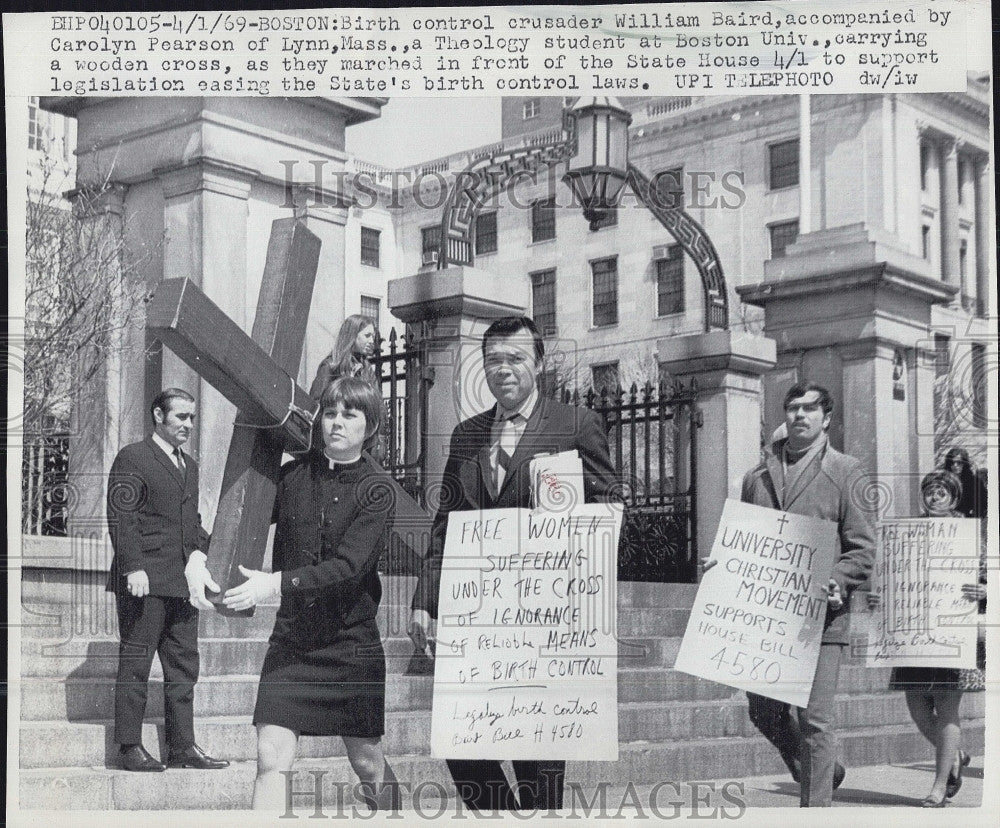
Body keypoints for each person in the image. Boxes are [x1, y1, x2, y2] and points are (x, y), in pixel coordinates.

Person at [407, 316, 620, 811]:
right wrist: (425, 601)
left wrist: (584, 562)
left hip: (546, 618)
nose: (504, 370)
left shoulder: (575, 425)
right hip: (478, 615)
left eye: (516, 358)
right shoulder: (466, 434)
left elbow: (609, 506)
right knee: (464, 744)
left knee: (537, 756)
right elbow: (445, 525)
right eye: (493, 360)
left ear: (539, 364)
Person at [223, 377, 399, 811]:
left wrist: (276, 582)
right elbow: (239, 522)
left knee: (367, 762)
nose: (336, 423)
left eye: (350, 415)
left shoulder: (378, 489)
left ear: (370, 425)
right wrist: (198, 554)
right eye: (331, 413)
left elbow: (349, 569)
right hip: (293, 642)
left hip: (350, 644)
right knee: (270, 759)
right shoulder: (293, 475)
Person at [708, 381, 874, 807]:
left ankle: (814, 809)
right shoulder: (757, 476)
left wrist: (840, 577)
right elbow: (746, 540)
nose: (799, 415)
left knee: (814, 719)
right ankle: (823, 767)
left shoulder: (847, 471)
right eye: (792, 407)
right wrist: (720, 565)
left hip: (820, 618)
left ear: (827, 417)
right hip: (767, 619)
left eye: (809, 408)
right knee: (762, 711)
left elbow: (863, 548)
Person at [105, 388, 229, 772]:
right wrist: (132, 567)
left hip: (182, 583)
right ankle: (129, 747)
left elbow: (191, 524)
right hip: (144, 580)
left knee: (183, 668)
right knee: (137, 662)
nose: (188, 425)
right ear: (159, 415)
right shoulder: (133, 456)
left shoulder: (188, 465)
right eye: (181, 418)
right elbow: (122, 515)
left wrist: (203, 552)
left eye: (192, 418)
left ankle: (182, 747)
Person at [868, 460, 987, 808]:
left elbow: (986, 575)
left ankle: (939, 786)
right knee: (918, 710)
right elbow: (892, 577)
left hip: (952, 634)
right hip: (913, 636)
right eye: (930, 491)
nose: (935, 497)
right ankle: (954, 755)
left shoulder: (969, 534)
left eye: (943, 491)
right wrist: (882, 597)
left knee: (947, 710)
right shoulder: (907, 532)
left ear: (954, 496)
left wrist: (985, 590)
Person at [309, 314, 378, 399]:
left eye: (373, 337)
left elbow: (378, 404)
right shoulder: (331, 365)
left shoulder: (367, 368)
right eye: (367, 335)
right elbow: (316, 403)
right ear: (352, 335)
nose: (371, 341)